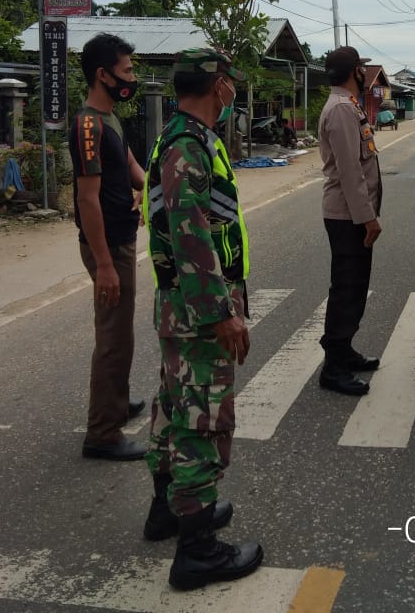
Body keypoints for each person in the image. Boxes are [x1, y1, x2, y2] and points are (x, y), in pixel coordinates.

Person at [141, 48, 262, 591]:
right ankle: (197, 551)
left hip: (180, 305)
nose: (233, 89)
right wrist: (222, 313)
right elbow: (191, 236)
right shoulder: (188, 146)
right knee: (202, 422)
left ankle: (169, 510)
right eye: (229, 80)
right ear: (217, 86)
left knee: (173, 406)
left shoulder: (183, 136)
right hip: (198, 310)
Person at [69, 32, 148, 461]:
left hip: (122, 239)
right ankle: (102, 432)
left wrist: (148, 187)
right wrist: (104, 265)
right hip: (108, 247)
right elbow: (86, 198)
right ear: (103, 74)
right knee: (114, 338)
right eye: (127, 70)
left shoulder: (112, 119)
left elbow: (133, 166)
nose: (132, 78)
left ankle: (116, 402)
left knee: (121, 333)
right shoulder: (88, 125)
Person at [317, 45, 382, 396]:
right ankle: (334, 366)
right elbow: (349, 170)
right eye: (361, 68)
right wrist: (368, 218)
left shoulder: (348, 105)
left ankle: (345, 349)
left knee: (355, 286)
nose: (364, 73)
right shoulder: (342, 109)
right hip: (347, 216)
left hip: (351, 214)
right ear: (354, 71)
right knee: (346, 288)